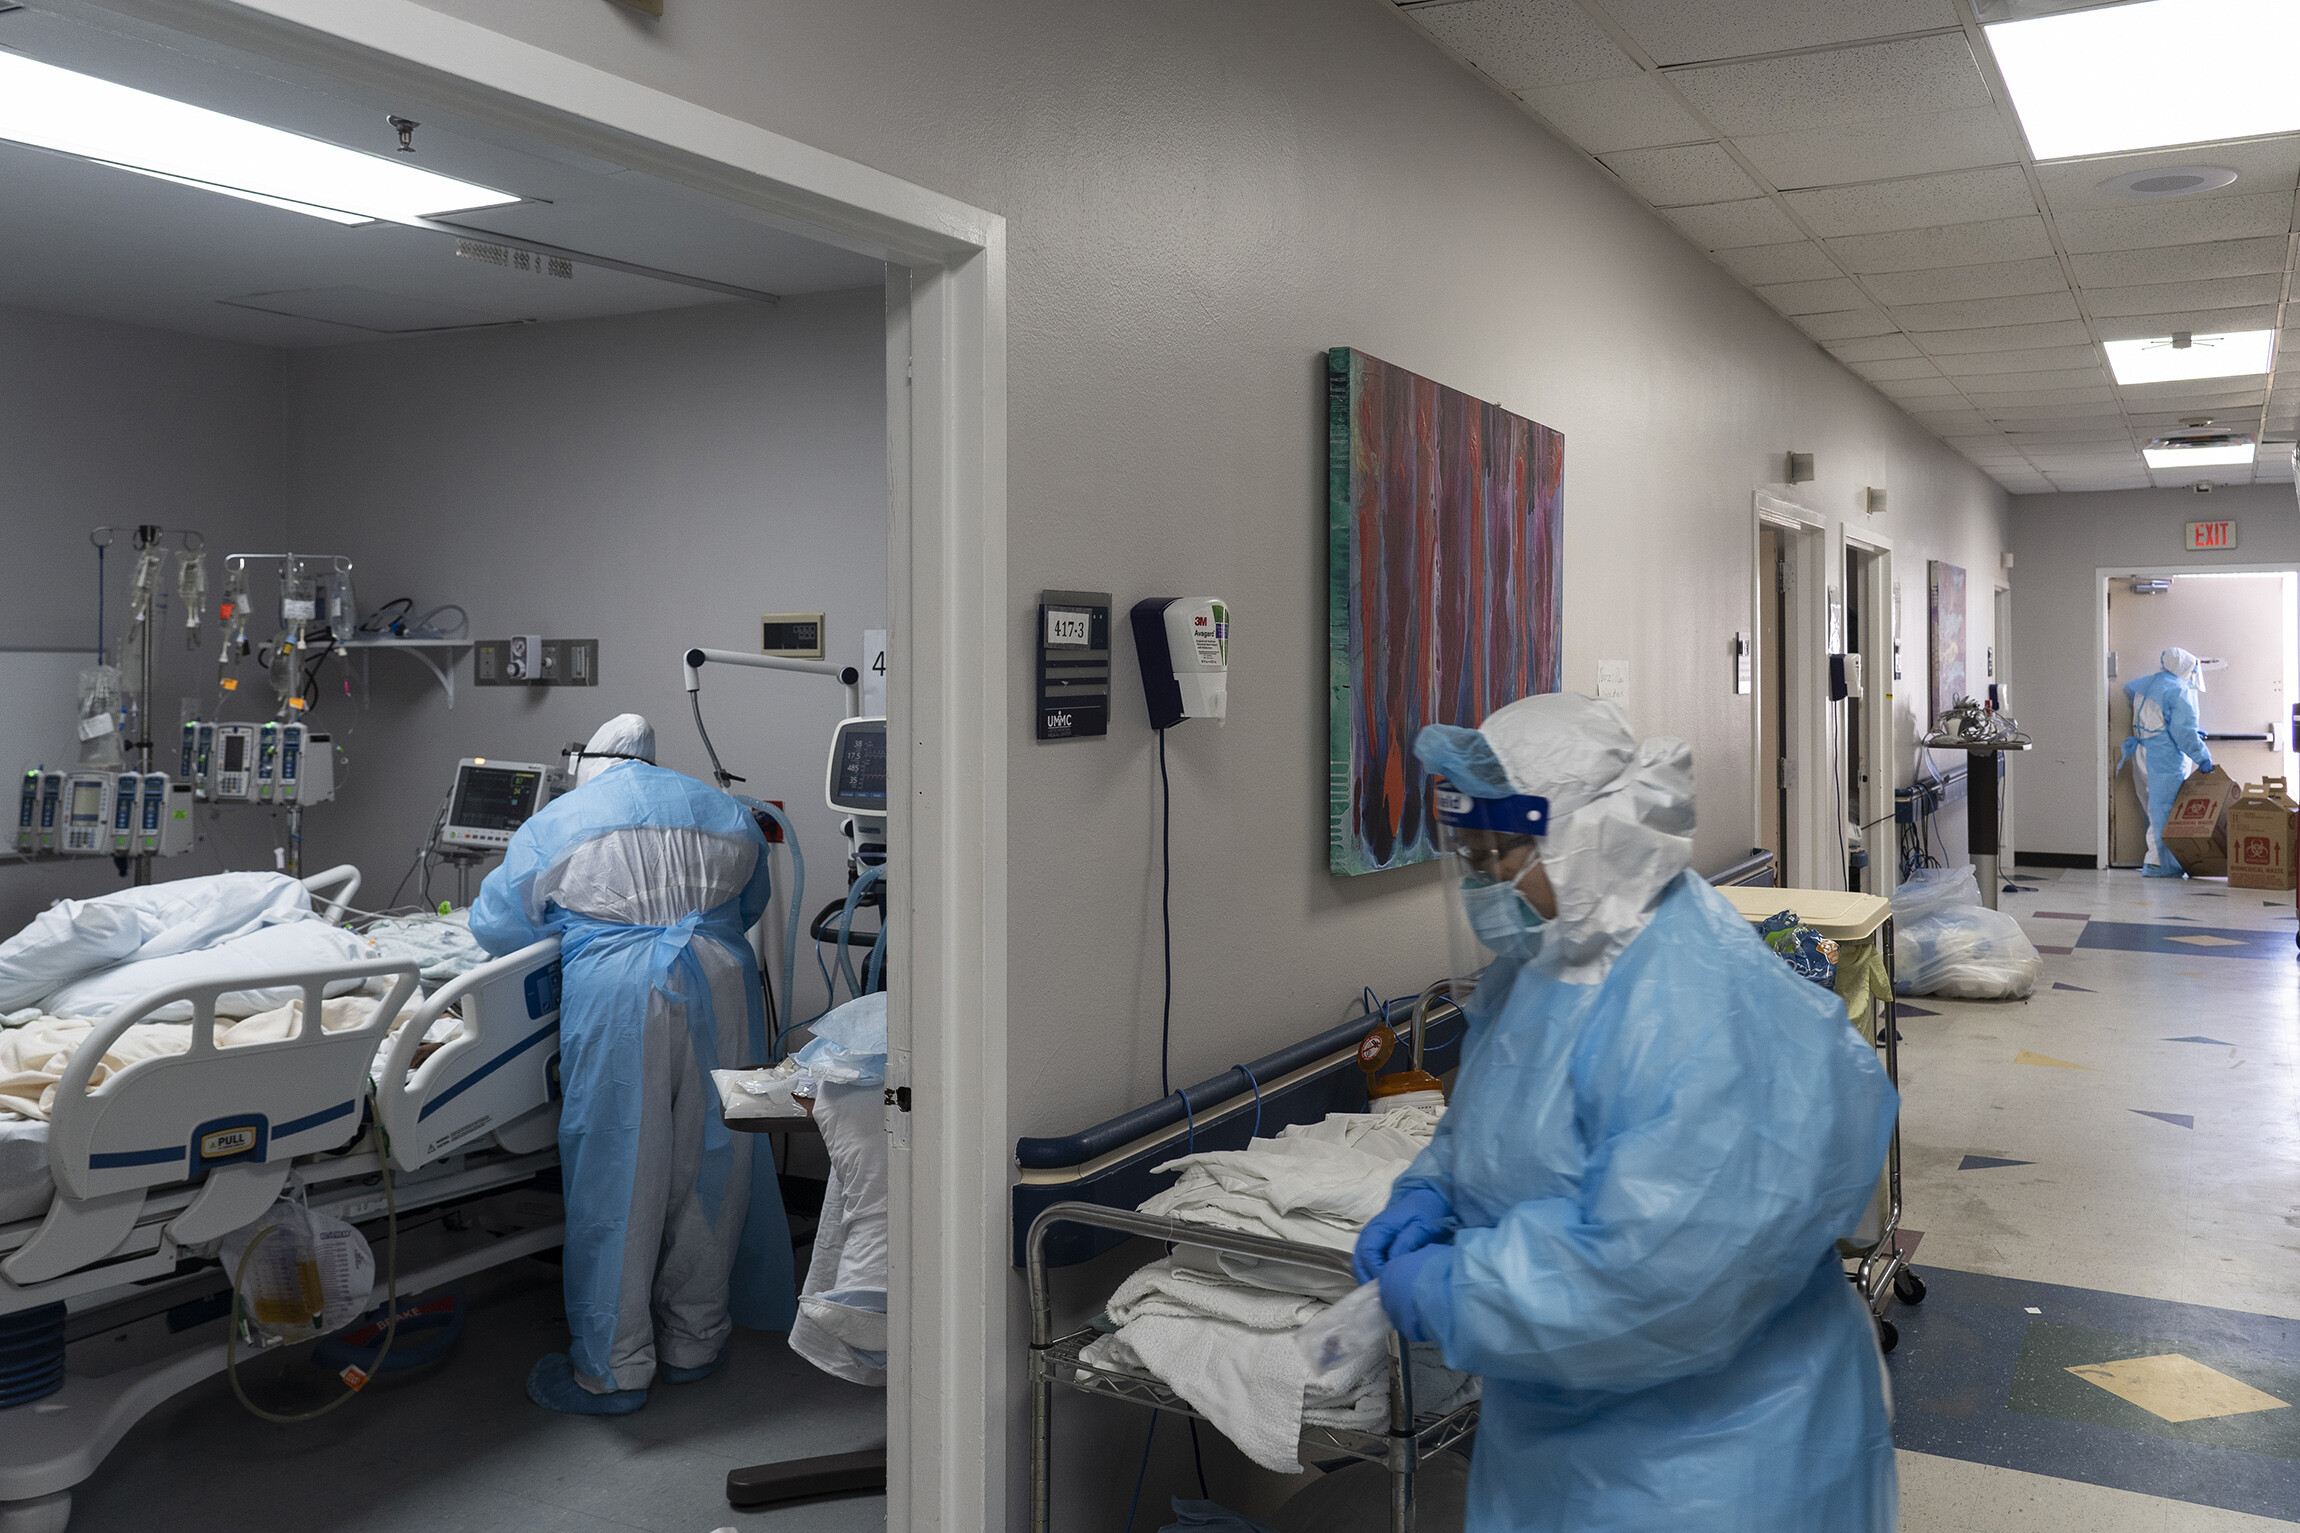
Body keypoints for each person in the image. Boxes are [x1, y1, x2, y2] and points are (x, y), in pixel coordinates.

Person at [1355, 693, 1898, 1531]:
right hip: (1559, 1440)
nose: (1484, 880)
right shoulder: (1544, 962)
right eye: (1469, 855)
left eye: (1501, 852)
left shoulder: (1693, 1001)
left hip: (1715, 1461)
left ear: (1588, 835)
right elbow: (1495, 1119)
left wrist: (1460, 1291)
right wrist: (1431, 1190)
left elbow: (1657, 1277)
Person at [470, 713, 795, 1414]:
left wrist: (584, 923)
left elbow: (497, 927)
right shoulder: (723, 810)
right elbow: (748, 904)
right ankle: (695, 1341)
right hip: (721, 982)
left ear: (590, 761)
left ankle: (613, 1369)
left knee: (619, 1170)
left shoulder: (561, 819)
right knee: (714, 1166)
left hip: (621, 990)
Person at [2120, 647, 2215, 878]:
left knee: (2153, 810)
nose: (2193, 676)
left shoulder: (2149, 684)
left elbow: (2155, 719)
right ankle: (2160, 864)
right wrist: (2202, 757)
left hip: (2142, 753)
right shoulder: (2177, 690)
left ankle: (2158, 860)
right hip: (2164, 759)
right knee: (2165, 812)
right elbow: (2184, 733)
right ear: (2185, 668)